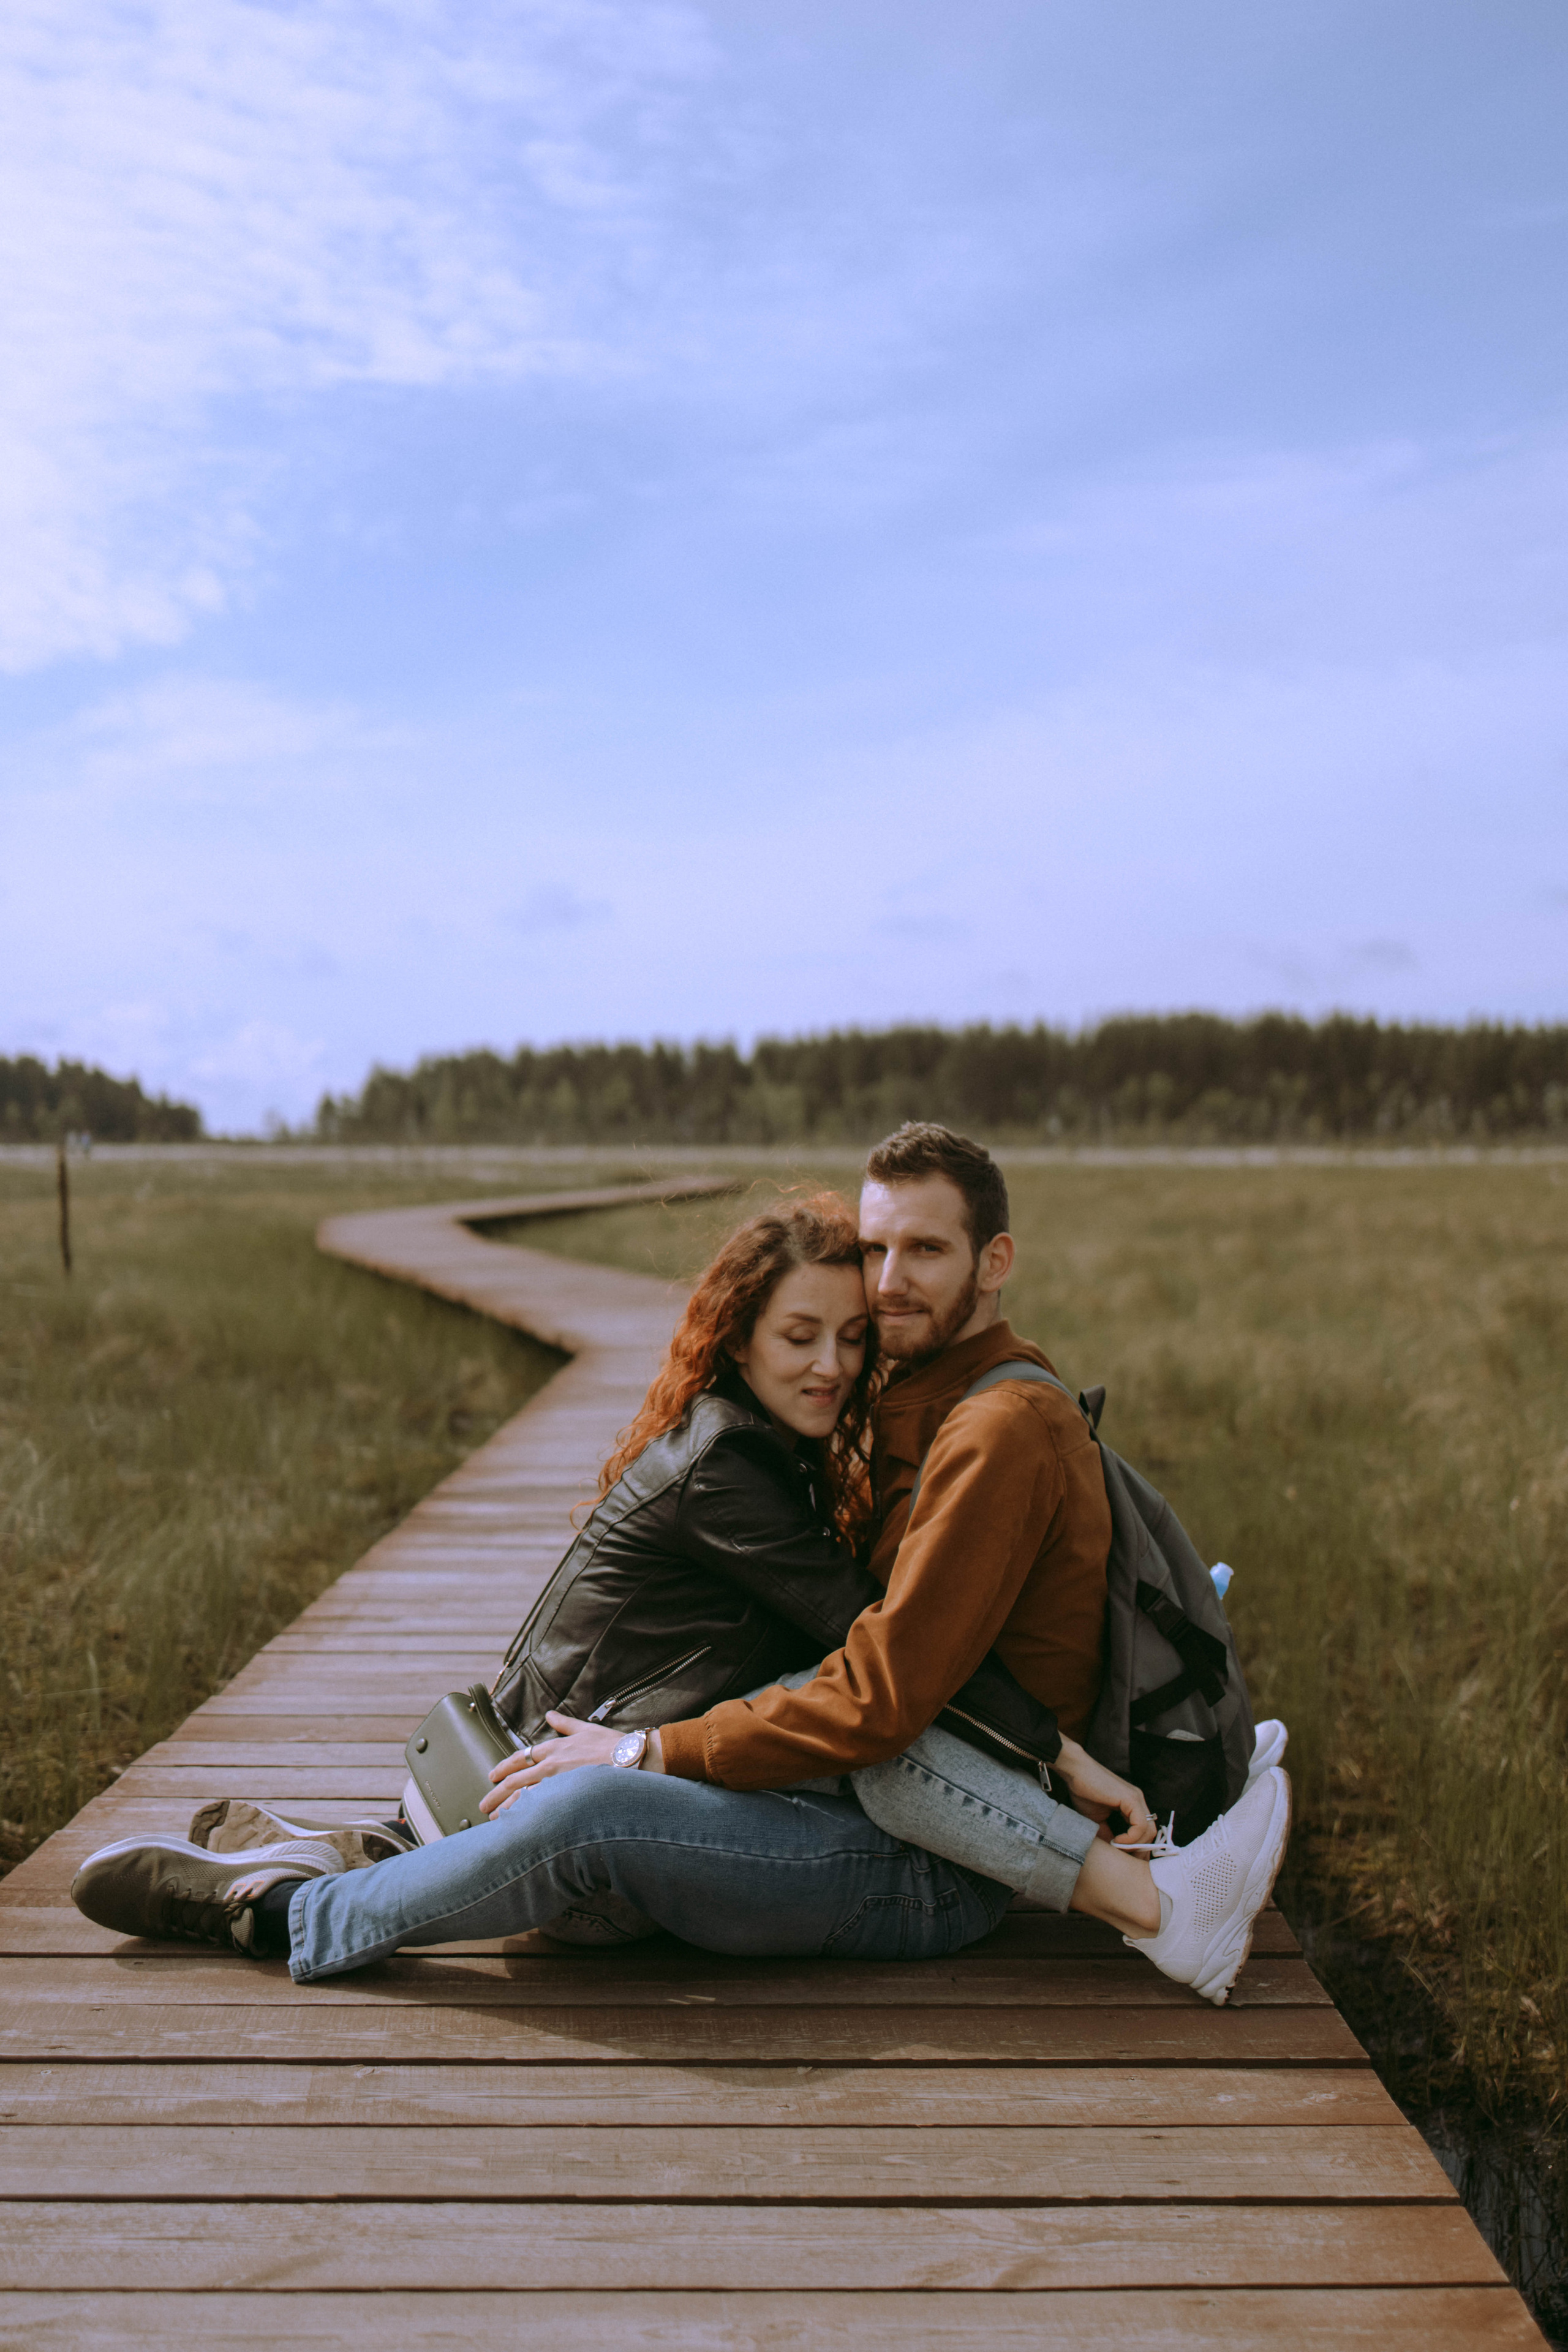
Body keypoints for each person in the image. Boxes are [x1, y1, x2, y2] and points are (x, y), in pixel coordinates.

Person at [73, 1148, 1291, 2006]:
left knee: (724, 1748)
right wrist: (1055, 1751)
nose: (832, 1362)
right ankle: (291, 1910)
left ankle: (314, 1870)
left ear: (992, 1261)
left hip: (698, 1797)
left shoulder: (894, 1439)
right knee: (613, 1796)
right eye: (802, 1334)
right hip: (580, 1775)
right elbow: (875, 1676)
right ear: (742, 1338)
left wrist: (1055, 1751)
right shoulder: (730, 1465)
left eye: (849, 1335)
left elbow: (877, 1679)